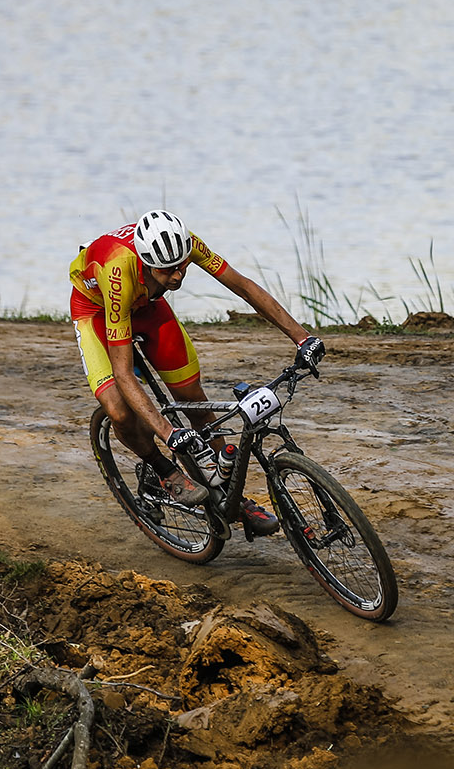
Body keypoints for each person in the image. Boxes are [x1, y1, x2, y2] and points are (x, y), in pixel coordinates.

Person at [70, 210, 325, 534]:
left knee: (194, 401)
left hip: (147, 304)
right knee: (120, 411)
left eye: (181, 265)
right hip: (97, 310)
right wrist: (168, 433)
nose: (177, 276)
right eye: (167, 270)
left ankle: (232, 497)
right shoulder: (118, 271)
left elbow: (243, 286)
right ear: (147, 263)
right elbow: (123, 373)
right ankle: (162, 470)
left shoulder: (184, 244)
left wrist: (302, 337)